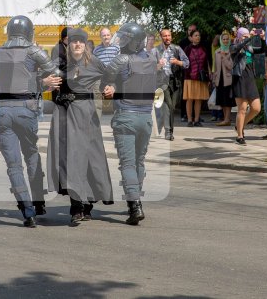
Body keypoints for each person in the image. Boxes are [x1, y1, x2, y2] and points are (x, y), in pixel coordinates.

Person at [0, 15, 62, 228]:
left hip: (1, 111)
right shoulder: (33, 51)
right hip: (25, 110)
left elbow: (6, 77)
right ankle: (38, 202)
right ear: (29, 31)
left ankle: (27, 210)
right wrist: (41, 80)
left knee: (13, 165)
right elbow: (56, 74)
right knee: (31, 154)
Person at [47, 28, 113, 225]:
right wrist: (46, 83)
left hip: (87, 113)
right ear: (69, 43)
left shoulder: (94, 62)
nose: (77, 44)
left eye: (80, 42)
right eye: (74, 41)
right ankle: (76, 207)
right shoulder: (60, 63)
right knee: (70, 160)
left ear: (85, 45)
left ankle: (88, 204)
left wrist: (110, 87)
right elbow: (42, 81)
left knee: (91, 159)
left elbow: (111, 77)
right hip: (64, 113)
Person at [102, 22, 157, 226]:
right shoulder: (152, 59)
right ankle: (136, 197)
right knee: (139, 161)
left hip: (126, 115)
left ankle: (134, 205)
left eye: (124, 38)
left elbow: (105, 80)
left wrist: (112, 86)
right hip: (146, 117)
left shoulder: (121, 59)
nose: (121, 41)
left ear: (132, 41)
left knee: (127, 163)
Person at [230, 27, 266, 145]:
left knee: (256, 108)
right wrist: (248, 37)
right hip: (239, 78)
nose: (246, 37)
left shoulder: (249, 48)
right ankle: (240, 136)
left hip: (250, 79)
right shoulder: (233, 47)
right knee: (242, 109)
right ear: (239, 36)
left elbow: (263, 50)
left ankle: (239, 126)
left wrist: (262, 39)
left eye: (247, 35)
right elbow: (237, 48)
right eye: (243, 35)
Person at [155, 28, 188, 140]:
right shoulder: (156, 51)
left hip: (175, 82)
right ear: (161, 37)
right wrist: (158, 65)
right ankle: (168, 132)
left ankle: (166, 128)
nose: (167, 38)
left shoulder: (177, 49)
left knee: (172, 108)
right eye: (165, 36)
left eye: (169, 35)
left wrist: (177, 62)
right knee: (168, 106)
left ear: (171, 37)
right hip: (162, 82)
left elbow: (187, 63)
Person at [182, 28, 210, 127]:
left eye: (199, 36)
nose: (198, 37)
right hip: (189, 77)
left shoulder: (203, 48)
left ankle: (197, 120)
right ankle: (190, 120)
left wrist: (208, 76)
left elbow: (206, 63)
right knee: (189, 99)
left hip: (201, 78)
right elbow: (184, 63)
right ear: (191, 38)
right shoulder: (187, 49)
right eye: (196, 35)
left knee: (199, 99)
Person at [212, 31, 235, 126]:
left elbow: (230, 66)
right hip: (219, 79)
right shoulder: (217, 51)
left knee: (227, 100)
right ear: (221, 40)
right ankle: (226, 119)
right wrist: (214, 78)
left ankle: (227, 119)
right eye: (223, 39)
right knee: (221, 100)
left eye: (227, 39)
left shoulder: (231, 51)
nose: (225, 41)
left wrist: (224, 56)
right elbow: (215, 67)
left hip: (228, 79)